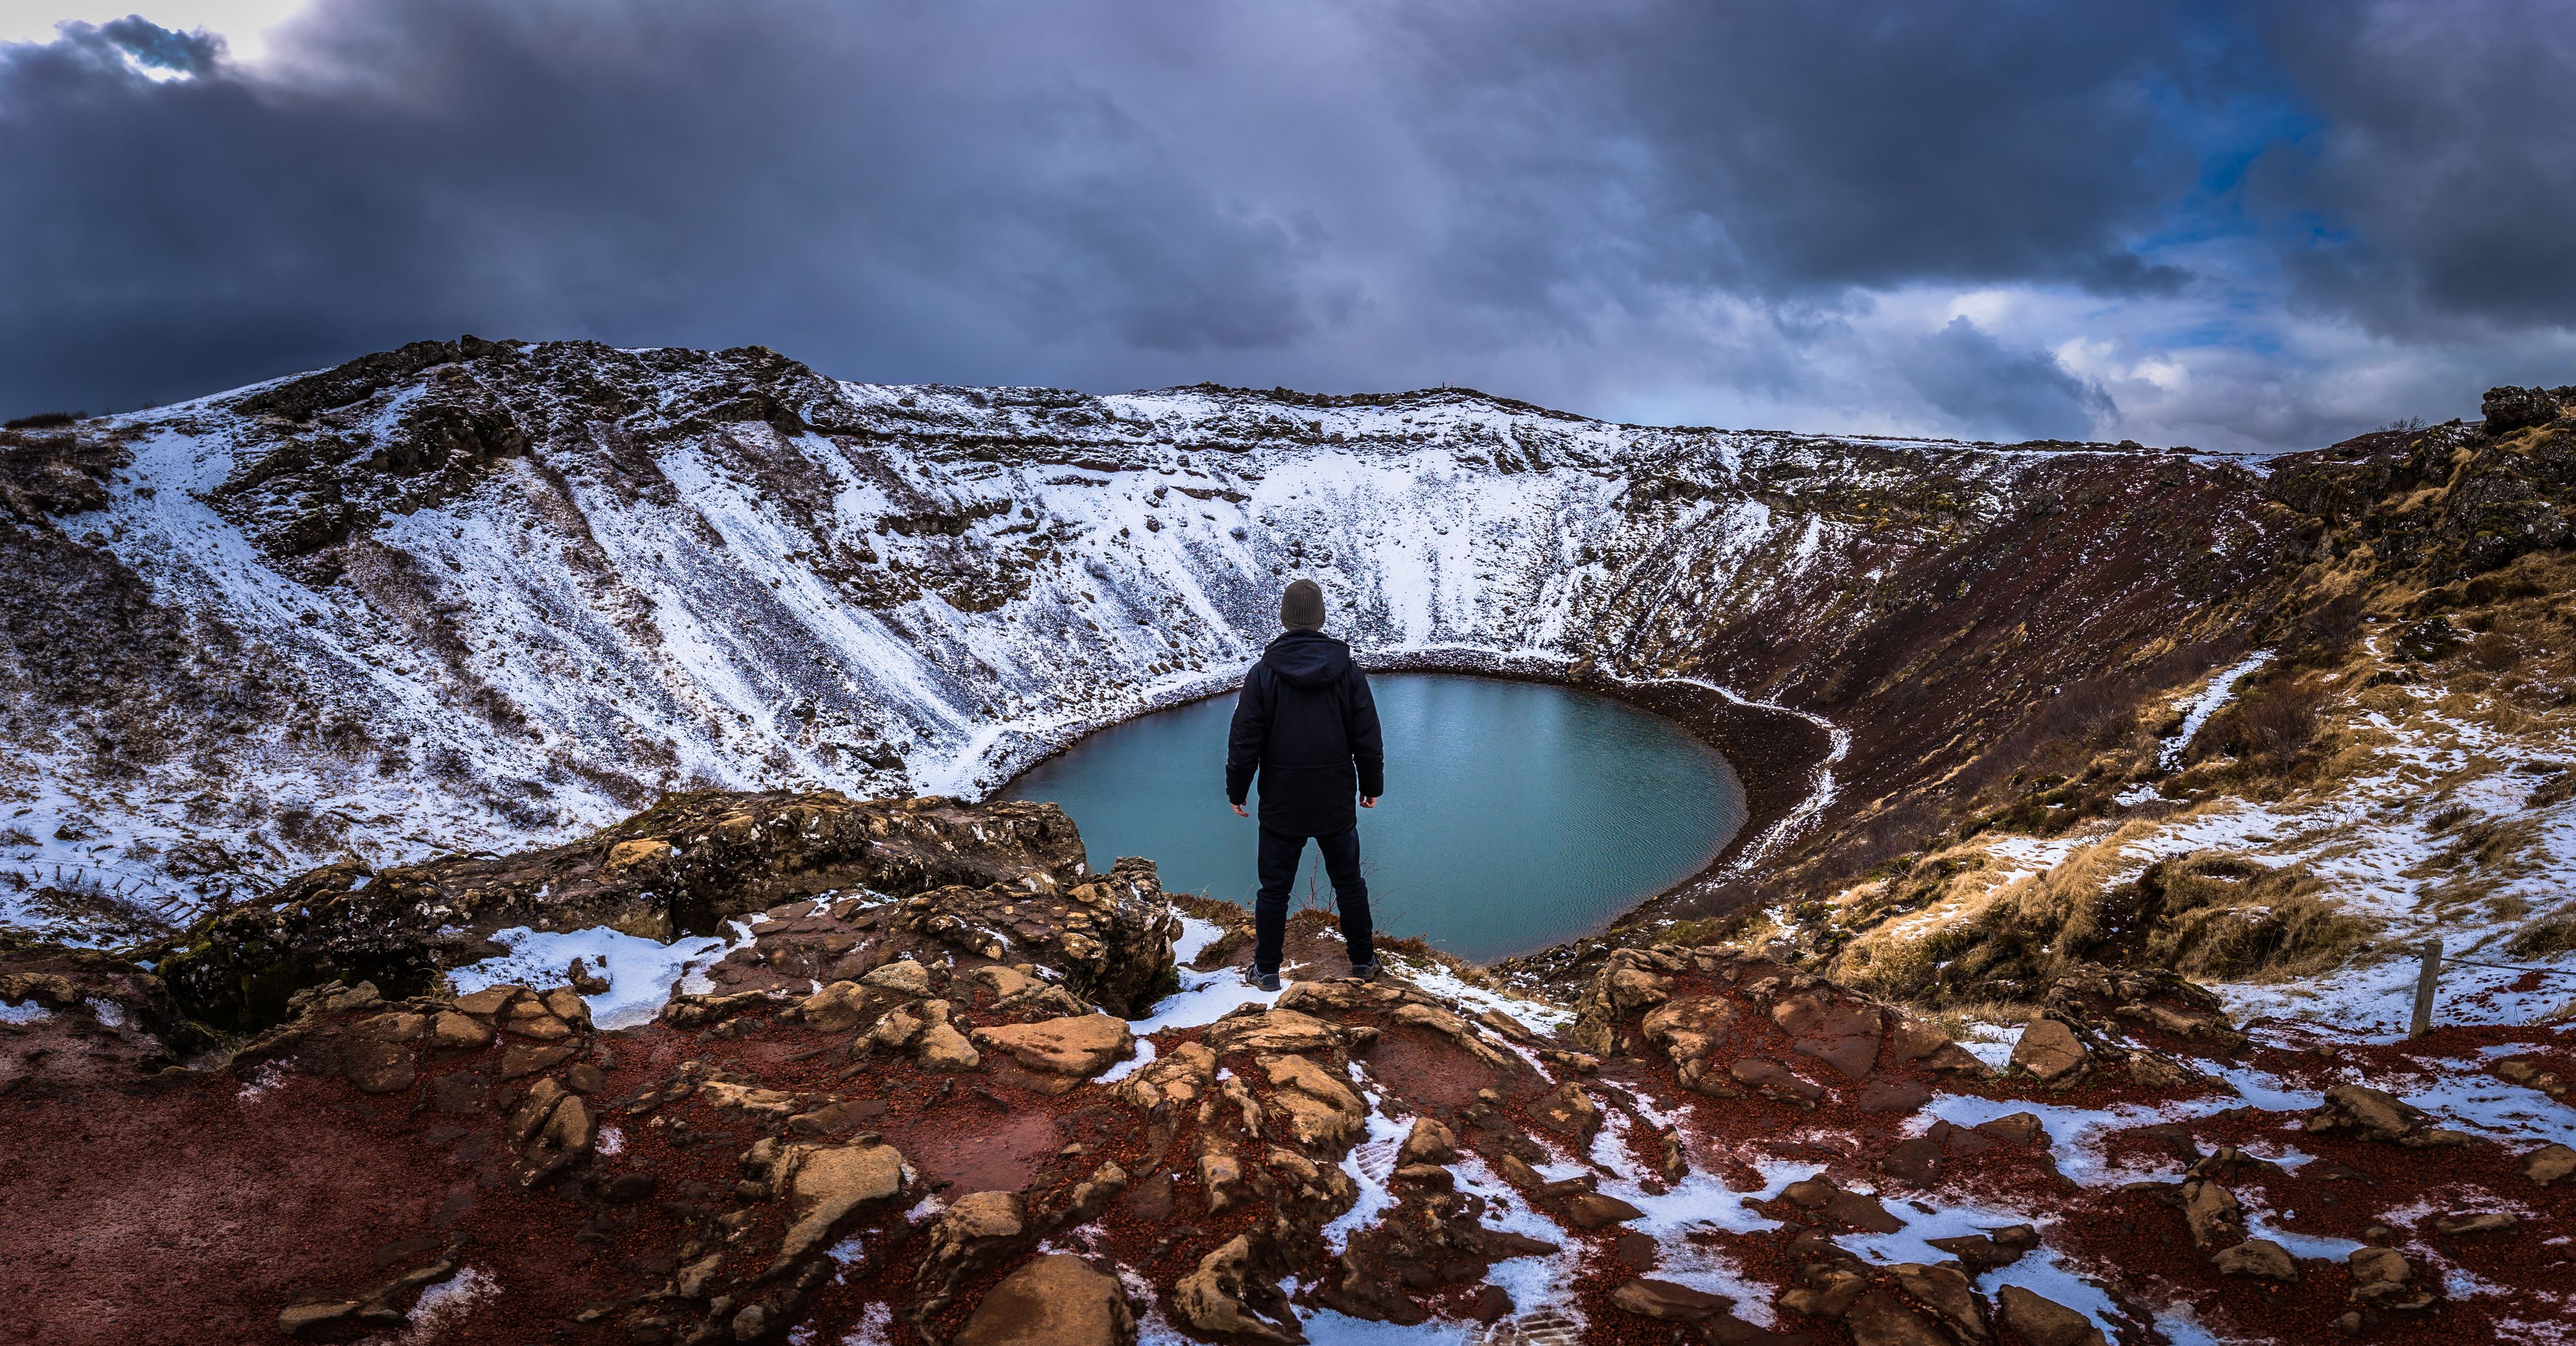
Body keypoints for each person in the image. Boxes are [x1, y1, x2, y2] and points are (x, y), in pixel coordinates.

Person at [1226, 577, 1383, 991]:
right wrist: (1372, 785)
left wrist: (1237, 791)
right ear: (1320, 619)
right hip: (1334, 800)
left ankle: (1266, 970)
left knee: (1274, 889)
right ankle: (1364, 962)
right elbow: (1366, 734)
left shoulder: (1262, 675)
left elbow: (1245, 740)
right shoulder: (1347, 671)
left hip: (1282, 801)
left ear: (1284, 618)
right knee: (1349, 883)